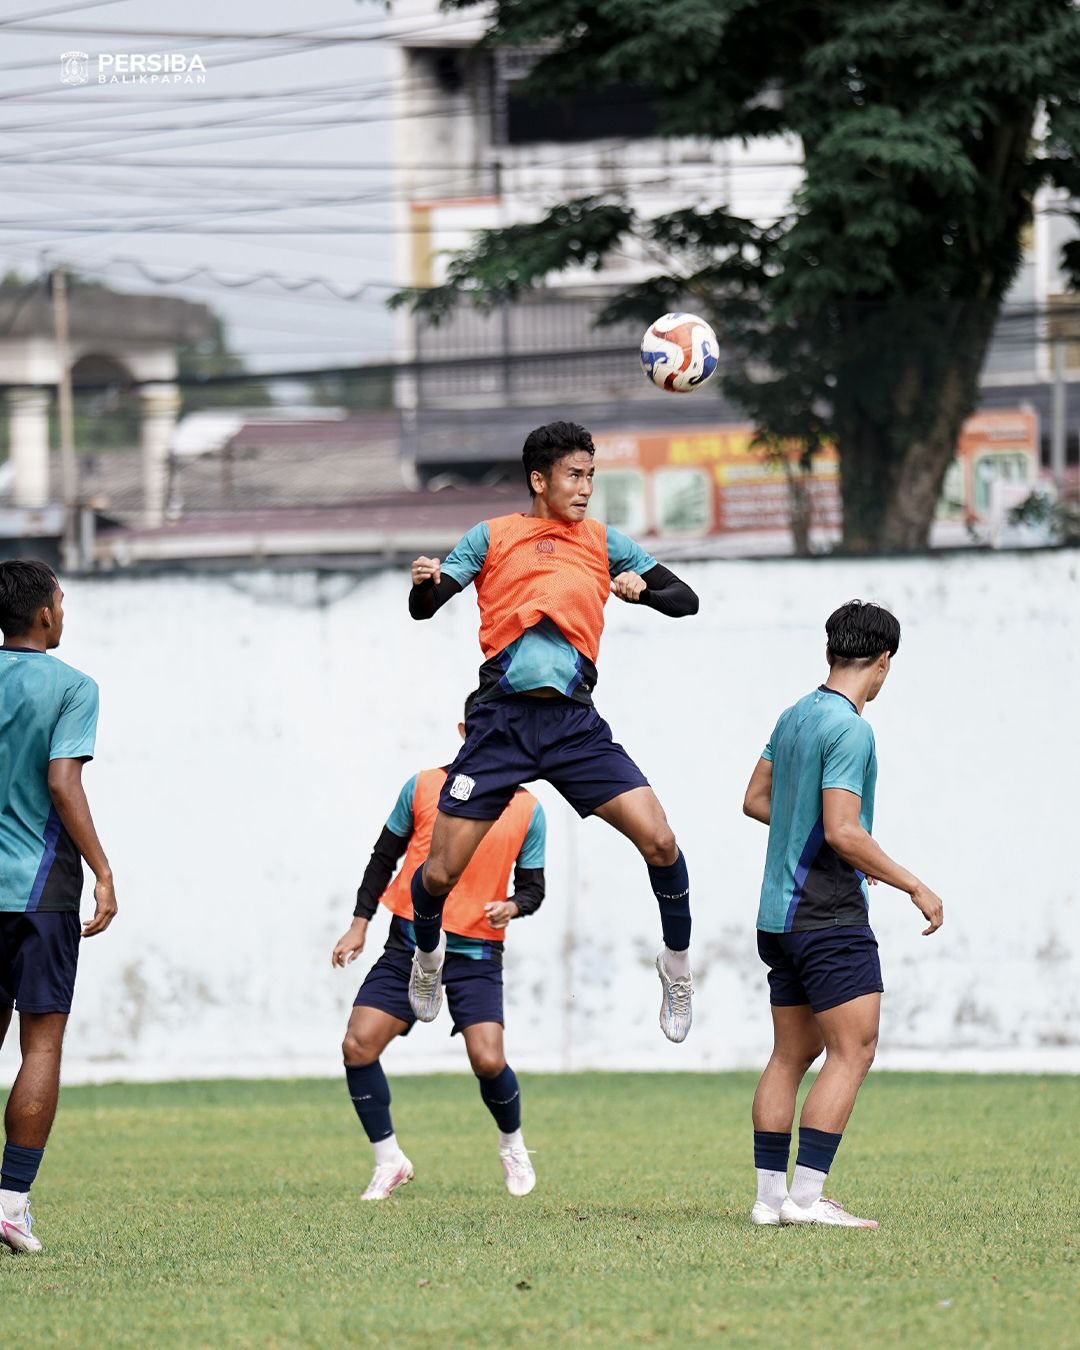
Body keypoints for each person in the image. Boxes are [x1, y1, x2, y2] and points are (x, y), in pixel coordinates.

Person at [405, 421, 699, 1042]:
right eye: (575, 475)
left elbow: (686, 599)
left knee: (662, 842)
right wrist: (424, 584)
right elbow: (428, 606)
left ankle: (675, 966)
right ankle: (428, 956)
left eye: (591, 475)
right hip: (500, 726)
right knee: (437, 875)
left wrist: (643, 590)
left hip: (574, 727)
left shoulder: (601, 541)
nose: (586, 488)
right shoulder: (492, 537)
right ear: (540, 480)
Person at [741, 599, 943, 1229]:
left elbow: (754, 800)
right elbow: (843, 832)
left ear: (831, 652)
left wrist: (805, 825)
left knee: (788, 1056)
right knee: (853, 1051)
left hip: (777, 918)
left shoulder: (794, 714)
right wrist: (915, 885)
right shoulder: (851, 728)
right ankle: (805, 1199)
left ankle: (769, 1200)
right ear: (883, 662)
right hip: (827, 915)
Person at [331, 695, 547, 1200]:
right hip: (408, 943)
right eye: (482, 727)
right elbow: (384, 857)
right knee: (357, 1045)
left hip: (475, 954)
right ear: (462, 730)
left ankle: (512, 1143)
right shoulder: (425, 785)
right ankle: (390, 1161)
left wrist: (512, 906)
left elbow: (534, 889)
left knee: (489, 1061)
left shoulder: (528, 809)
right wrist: (359, 923)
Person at [0, 559, 117, 1254]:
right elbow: (62, 781)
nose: (65, 613)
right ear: (44, 615)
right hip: (40, 891)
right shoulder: (73, 687)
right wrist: (103, 869)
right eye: (63, 602)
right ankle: (11, 1204)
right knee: (40, 1041)